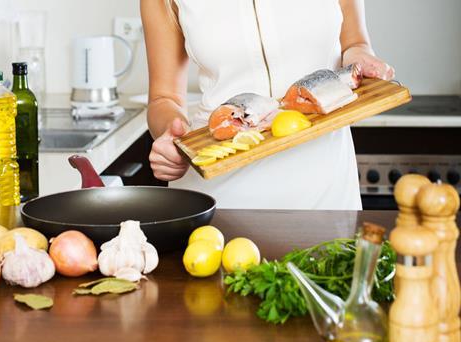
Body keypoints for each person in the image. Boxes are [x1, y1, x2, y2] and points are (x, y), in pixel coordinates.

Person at [140, 0, 394, 209]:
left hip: (325, 182)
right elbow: (164, 98)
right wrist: (169, 135)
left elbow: (354, 43)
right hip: (222, 192)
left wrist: (362, 59)